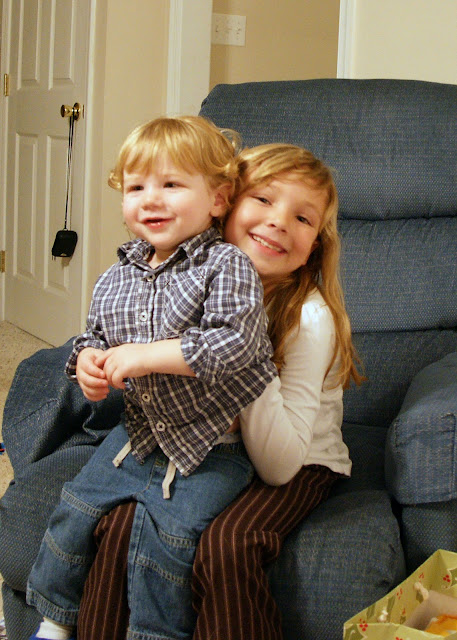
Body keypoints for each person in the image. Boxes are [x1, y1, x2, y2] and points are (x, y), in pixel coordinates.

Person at [74, 142, 363, 640]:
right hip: (211, 445)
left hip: (296, 458)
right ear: (223, 205)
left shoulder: (310, 318)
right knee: (122, 524)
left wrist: (240, 356)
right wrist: (95, 361)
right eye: (263, 200)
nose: (279, 222)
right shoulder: (190, 277)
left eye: (302, 218)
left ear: (315, 244)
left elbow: (279, 466)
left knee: (228, 544)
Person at [25, 116, 278, 640]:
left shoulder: (226, 265)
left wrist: (146, 356)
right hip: (138, 434)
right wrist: (88, 365)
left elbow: (237, 344)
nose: (151, 200)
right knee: (74, 510)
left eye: (172, 184)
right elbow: (93, 338)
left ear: (217, 198)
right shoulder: (115, 278)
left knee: (168, 540)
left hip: (212, 446)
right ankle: (52, 620)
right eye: (136, 187)